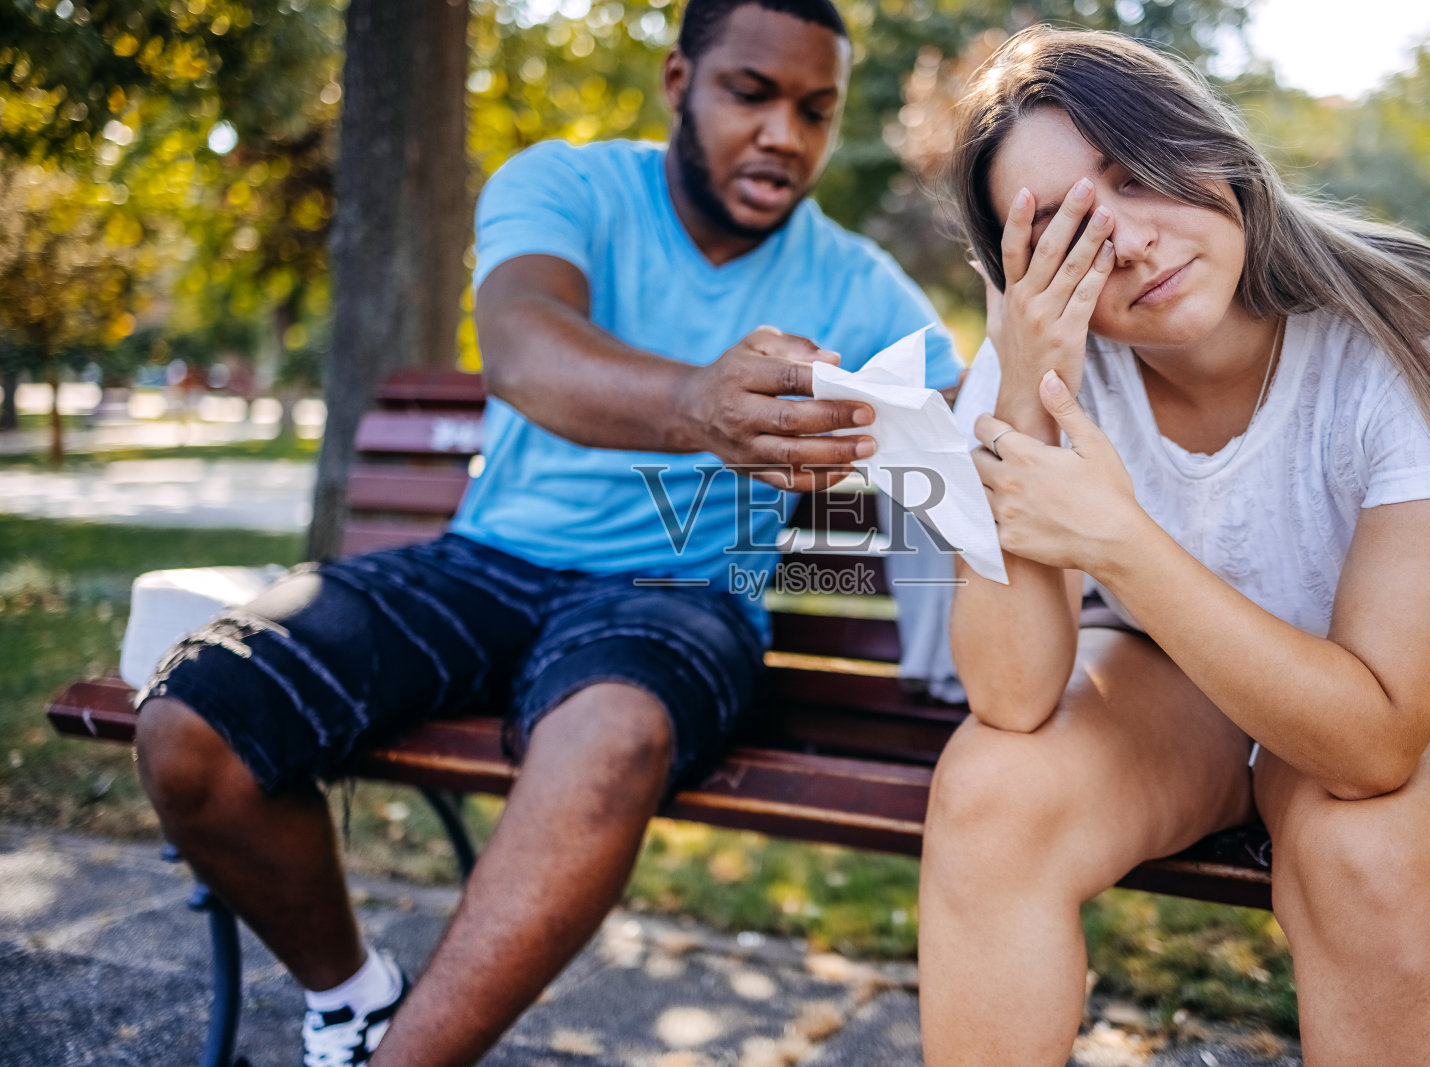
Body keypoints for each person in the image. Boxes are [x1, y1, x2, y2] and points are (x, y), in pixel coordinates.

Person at [131, 2, 961, 1064]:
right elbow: (523, 344)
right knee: (194, 722)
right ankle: (353, 996)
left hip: (679, 594)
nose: (784, 137)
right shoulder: (561, 184)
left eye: (816, 109)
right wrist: (697, 404)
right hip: (486, 562)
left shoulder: (854, 282)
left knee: (608, 736)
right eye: (750, 93)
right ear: (678, 82)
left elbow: (969, 425)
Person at [922, 27, 1430, 1067]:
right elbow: (1010, 696)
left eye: (1140, 171)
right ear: (1016, 273)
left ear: (1214, 150)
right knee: (990, 789)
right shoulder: (1035, 365)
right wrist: (1018, 402)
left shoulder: (1415, 345)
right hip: (1173, 674)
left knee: (1363, 844)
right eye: (1060, 229)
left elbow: (1372, 746)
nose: (1131, 242)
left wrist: (1120, 538)